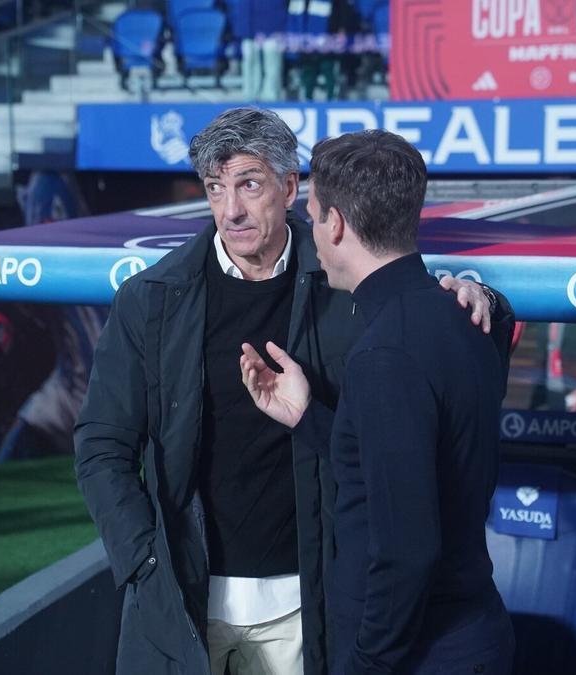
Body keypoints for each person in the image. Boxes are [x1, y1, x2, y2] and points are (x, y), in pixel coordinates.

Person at [74, 107, 513, 675]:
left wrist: (483, 299)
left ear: (289, 187)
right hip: (180, 600)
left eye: (248, 184)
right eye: (215, 188)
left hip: (309, 607)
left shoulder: (346, 279)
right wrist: (143, 560)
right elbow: (102, 446)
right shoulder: (151, 298)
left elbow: (419, 323)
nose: (230, 210)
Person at [240, 129, 514, 675]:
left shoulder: (386, 353)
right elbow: (413, 465)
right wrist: (307, 417)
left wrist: (367, 665)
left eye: (314, 215)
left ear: (337, 224)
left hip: (420, 656)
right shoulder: (459, 317)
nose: (312, 231)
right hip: (467, 638)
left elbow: (406, 551)